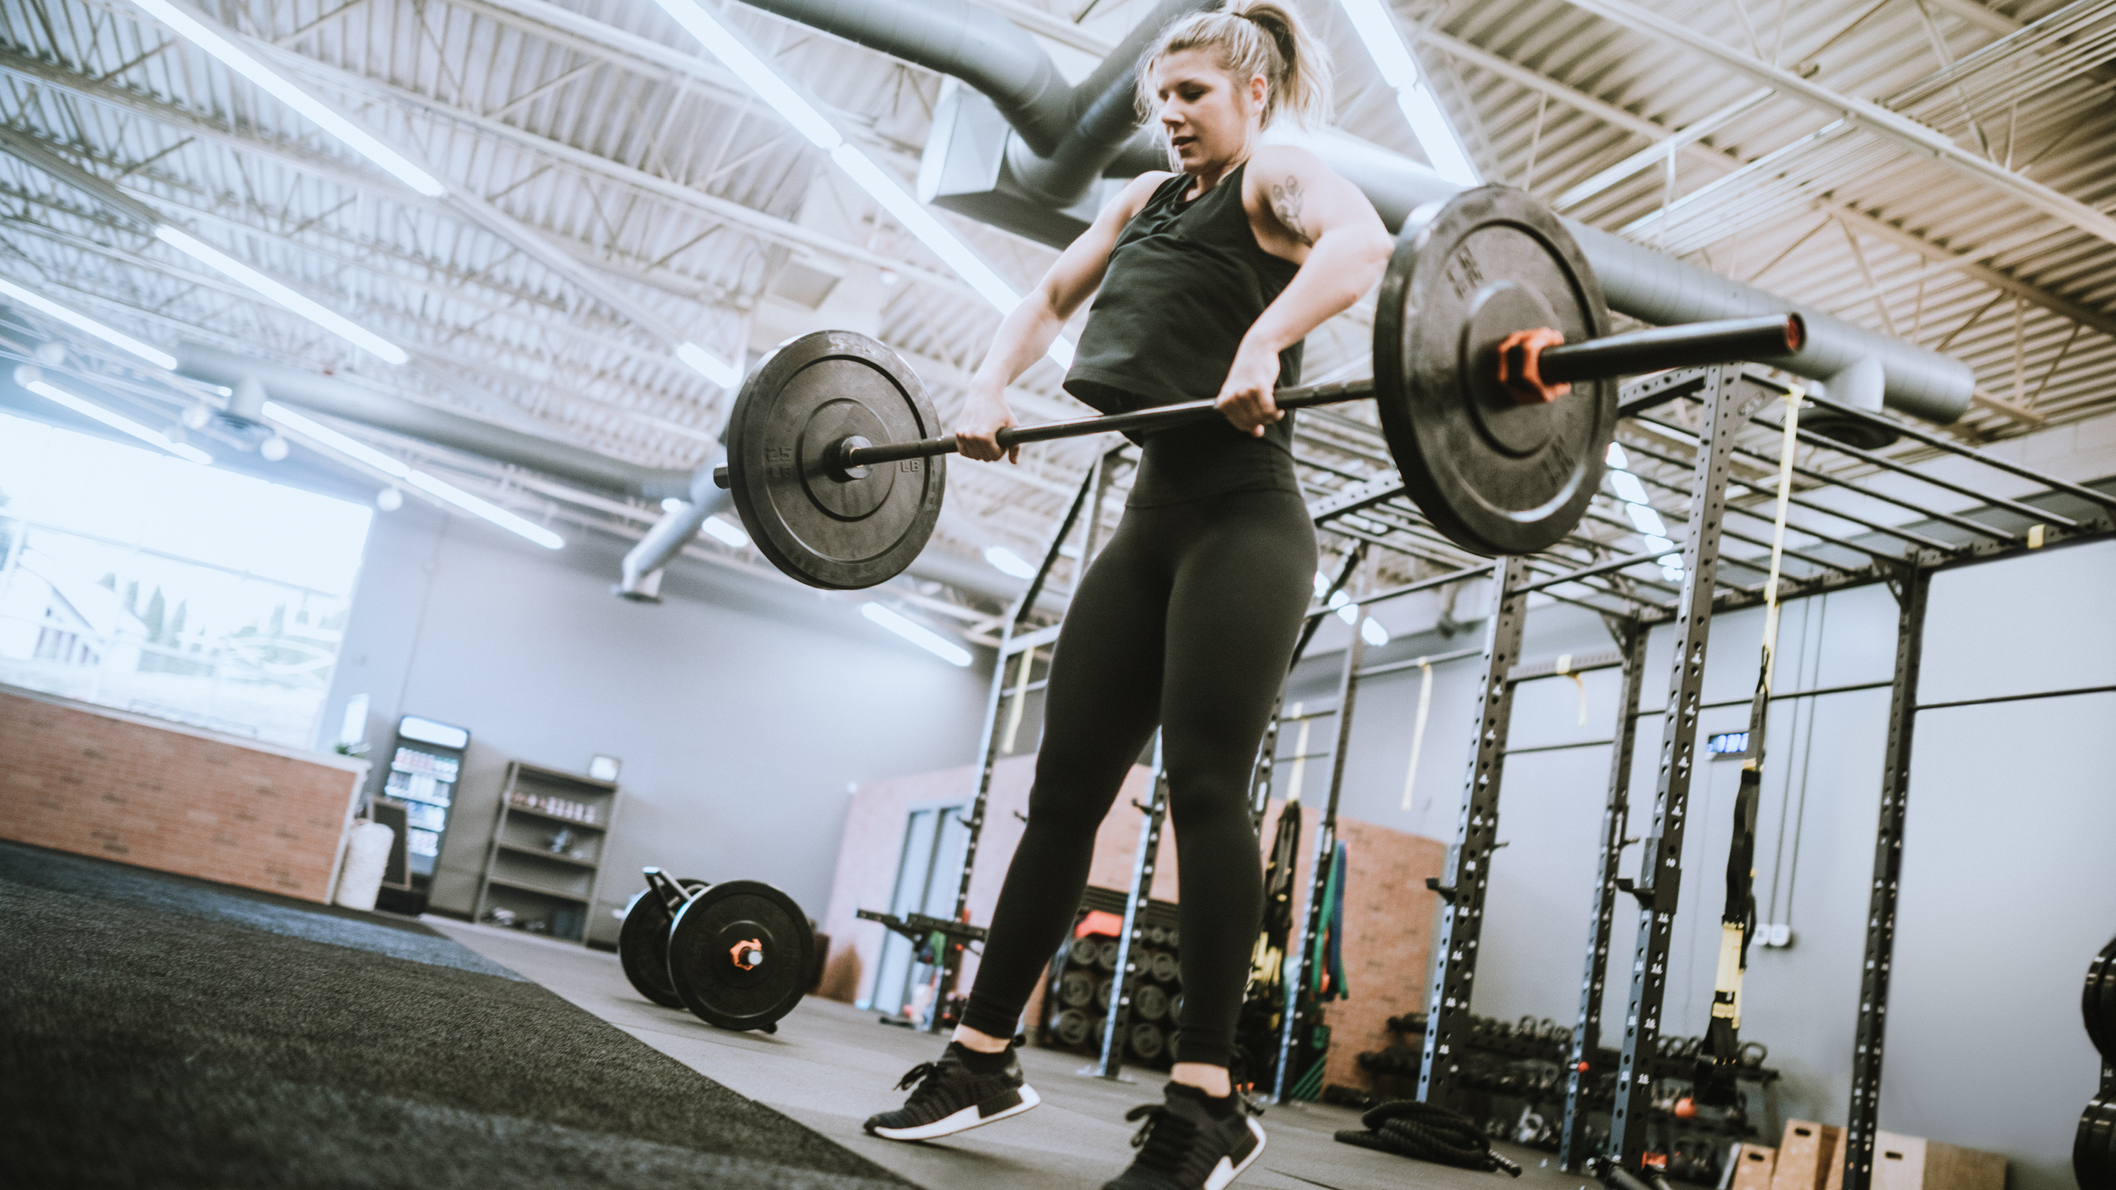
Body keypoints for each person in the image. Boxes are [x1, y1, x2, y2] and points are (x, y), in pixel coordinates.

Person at [863, 4, 1393, 1187]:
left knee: (1206, 787)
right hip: (1147, 519)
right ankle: (982, 1055)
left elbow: (1363, 250)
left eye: (1193, 95)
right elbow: (1045, 299)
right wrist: (989, 387)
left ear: (1252, 96)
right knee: (1060, 795)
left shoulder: (1281, 179)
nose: (1169, 114)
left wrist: (1263, 342)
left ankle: (1209, 1098)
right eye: (1161, 97)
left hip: (1246, 519)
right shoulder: (1138, 204)